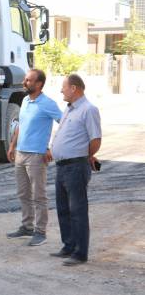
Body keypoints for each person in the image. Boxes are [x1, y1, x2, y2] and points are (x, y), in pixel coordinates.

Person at [50, 74, 101, 266]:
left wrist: (83, 155)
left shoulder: (89, 110)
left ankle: (81, 253)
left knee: (77, 210)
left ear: (74, 88)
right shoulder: (69, 109)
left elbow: (95, 140)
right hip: (62, 167)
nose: (61, 90)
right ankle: (68, 246)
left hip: (76, 167)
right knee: (63, 209)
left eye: (64, 87)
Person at [6, 69, 62, 247]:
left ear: (39, 84)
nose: (24, 83)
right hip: (20, 154)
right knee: (23, 193)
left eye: (28, 80)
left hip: (37, 156)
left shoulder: (48, 104)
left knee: (39, 195)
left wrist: (51, 147)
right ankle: (27, 226)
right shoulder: (25, 101)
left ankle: (41, 232)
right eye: (25, 80)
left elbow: (64, 124)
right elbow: (21, 125)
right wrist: (12, 145)